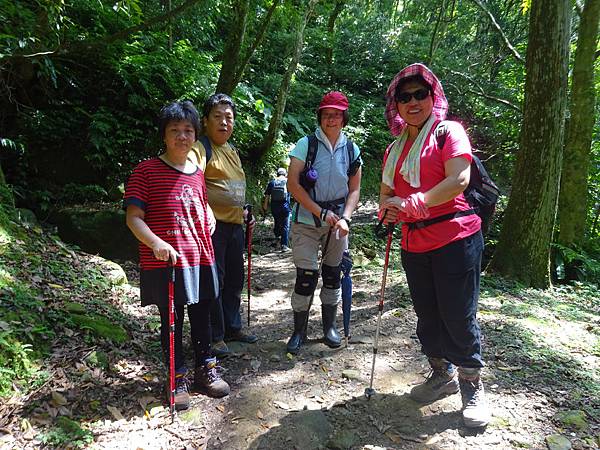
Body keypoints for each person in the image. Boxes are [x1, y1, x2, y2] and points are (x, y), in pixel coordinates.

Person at [379, 63, 490, 428]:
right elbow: (386, 194)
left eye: (420, 94)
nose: (413, 102)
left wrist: (415, 203)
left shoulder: (449, 132)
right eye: (404, 96)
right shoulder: (394, 149)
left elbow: (459, 179)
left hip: (455, 238)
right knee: (428, 315)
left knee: (458, 314)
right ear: (395, 103)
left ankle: (472, 386)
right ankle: (441, 374)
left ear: (433, 97)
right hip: (414, 243)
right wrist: (390, 210)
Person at [124, 101, 230, 410]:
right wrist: (156, 242)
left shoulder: (197, 172)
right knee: (171, 320)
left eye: (188, 131)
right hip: (167, 261)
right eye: (174, 131)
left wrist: (209, 213)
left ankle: (206, 369)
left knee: (202, 316)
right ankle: (176, 377)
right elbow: (133, 217)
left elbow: (197, 202)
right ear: (164, 135)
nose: (182, 137)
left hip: (200, 257)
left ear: (196, 135)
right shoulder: (146, 171)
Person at [285, 91, 362, 354]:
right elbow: (293, 185)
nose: (331, 119)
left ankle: (330, 326)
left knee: (332, 276)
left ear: (344, 118)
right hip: (306, 221)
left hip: (337, 224)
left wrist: (346, 218)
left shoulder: (352, 150)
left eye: (337, 115)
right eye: (327, 114)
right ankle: (299, 331)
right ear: (320, 117)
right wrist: (320, 212)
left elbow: (354, 190)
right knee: (306, 276)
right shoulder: (305, 145)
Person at [190, 93, 257, 358]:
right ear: (205, 121)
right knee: (214, 281)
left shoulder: (231, 150)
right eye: (217, 117)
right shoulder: (200, 148)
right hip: (213, 227)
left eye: (228, 118)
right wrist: (204, 208)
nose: (223, 122)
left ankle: (232, 326)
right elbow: (193, 179)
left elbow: (234, 188)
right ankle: (214, 335)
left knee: (233, 279)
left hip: (235, 225)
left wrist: (245, 212)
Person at [262, 167, 292, 252]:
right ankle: (284, 245)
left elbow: (267, 196)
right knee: (285, 225)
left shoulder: (272, 182)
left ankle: (277, 238)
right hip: (285, 207)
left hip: (275, 208)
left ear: (277, 174)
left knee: (277, 222)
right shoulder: (287, 182)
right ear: (285, 174)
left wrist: (265, 206)